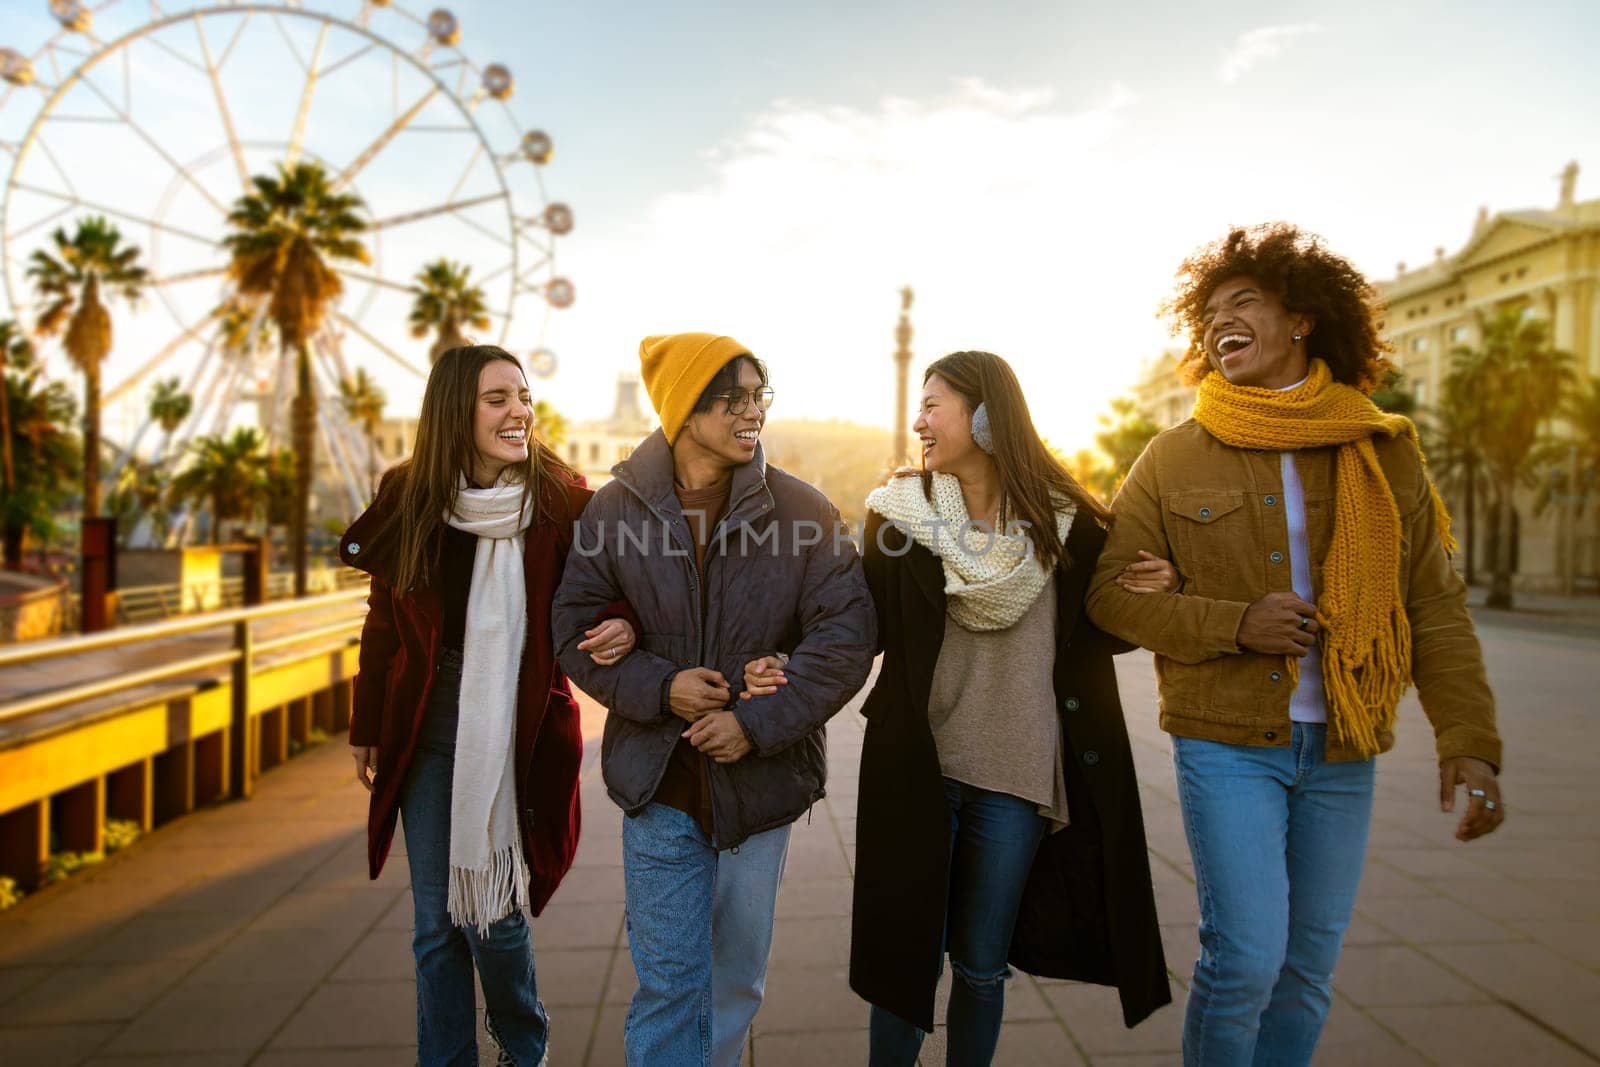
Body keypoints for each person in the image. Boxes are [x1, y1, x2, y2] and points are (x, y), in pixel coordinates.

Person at [1086, 223, 1506, 1066]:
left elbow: (1433, 603)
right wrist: (1230, 620)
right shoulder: (1170, 459)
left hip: (1345, 745)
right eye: (1207, 313)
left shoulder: (1382, 451)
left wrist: (1470, 739)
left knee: (1307, 967)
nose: (1218, 323)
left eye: (1243, 302)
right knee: (1243, 959)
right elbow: (1105, 601)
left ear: (1303, 318)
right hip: (1226, 742)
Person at [552, 332, 877, 1067]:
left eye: (759, 395)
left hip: (761, 789)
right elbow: (571, 627)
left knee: (735, 981)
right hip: (658, 783)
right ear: (683, 409)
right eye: (733, 398)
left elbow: (848, 633)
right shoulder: (612, 509)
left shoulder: (803, 508)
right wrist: (662, 687)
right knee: (670, 983)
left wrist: (754, 723)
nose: (752, 412)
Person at [839, 350, 1173, 1066]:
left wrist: (1161, 585)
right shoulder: (899, 515)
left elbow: (1105, 625)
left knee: (983, 967)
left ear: (985, 411)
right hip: (918, 768)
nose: (918, 420)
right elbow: (856, 624)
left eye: (934, 404)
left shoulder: (1070, 524)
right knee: (906, 966)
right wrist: (780, 652)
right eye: (919, 404)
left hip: (1018, 775)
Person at [341, 345, 637, 1067]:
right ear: (455, 411)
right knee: (436, 925)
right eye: (498, 398)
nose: (519, 413)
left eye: (523, 396)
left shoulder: (564, 496)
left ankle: (522, 1041)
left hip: (519, 722)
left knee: (495, 919)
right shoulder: (408, 492)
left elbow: (618, 580)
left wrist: (625, 617)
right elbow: (383, 617)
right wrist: (367, 722)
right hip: (425, 721)